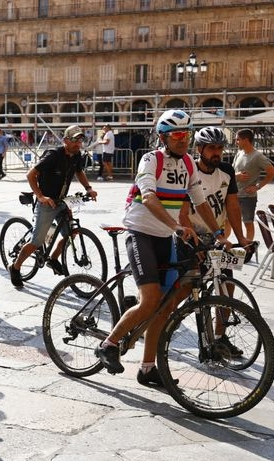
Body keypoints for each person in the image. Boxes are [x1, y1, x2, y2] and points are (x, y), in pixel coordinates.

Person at [94, 110, 228, 386]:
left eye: (186, 135)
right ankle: (109, 344)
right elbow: (150, 197)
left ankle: (147, 368)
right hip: (141, 233)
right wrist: (176, 225)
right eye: (176, 135)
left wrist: (218, 233)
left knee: (164, 309)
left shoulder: (189, 164)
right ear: (163, 137)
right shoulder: (150, 159)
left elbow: (200, 203)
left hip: (165, 238)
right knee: (151, 300)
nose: (182, 140)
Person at [179, 126, 252, 355]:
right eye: (212, 148)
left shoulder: (227, 170)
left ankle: (220, 338)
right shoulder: (188, 169)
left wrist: (242, 238)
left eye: (220, 148)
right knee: (185, 290)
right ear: (199, 148)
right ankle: (161, 319)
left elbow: (232, 205)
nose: (217, 152)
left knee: (227, 288)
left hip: (216, 237)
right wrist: (192, 239)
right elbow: (181, 212)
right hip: (189, 236)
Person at [9, 125, 97, 288]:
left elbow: (79, 172)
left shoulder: (76, 155)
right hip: (47, 202)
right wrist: (41, 197)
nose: (78, 143)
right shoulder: (53, 155)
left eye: (80, 140)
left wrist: (88, 188)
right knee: (37, 241)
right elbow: (31, 175)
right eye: (75, 140)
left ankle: (53, 258)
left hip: (62, 201)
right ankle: (15, 267)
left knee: (71, 233)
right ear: (65, 140)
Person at [232, 128, 274, 242]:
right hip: (233, 195)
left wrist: (257, 187)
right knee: (228, 221)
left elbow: (272, 172)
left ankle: (248, 248)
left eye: (238, 140)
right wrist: (237, 176)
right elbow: (232, 172)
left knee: (248, 223)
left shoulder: (257, 156)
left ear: (246, 140)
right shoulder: (239, 153)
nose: (236, 142)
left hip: (247, 197)